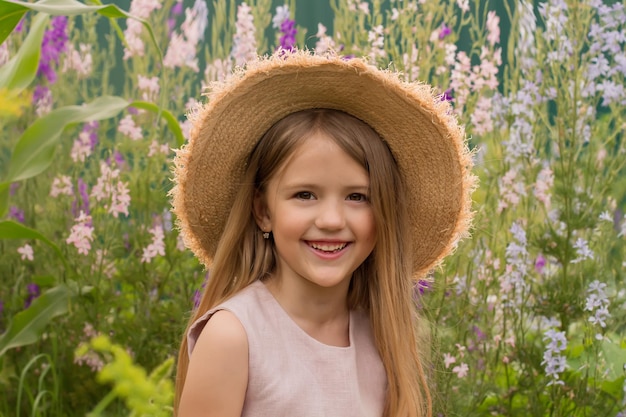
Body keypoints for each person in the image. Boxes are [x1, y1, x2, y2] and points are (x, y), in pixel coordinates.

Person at [171, 51, 475, 417]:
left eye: (357, 197)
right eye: (305, 195)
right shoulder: (234, 338)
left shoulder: (381, 337)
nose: (331, 219)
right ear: (263, 211)